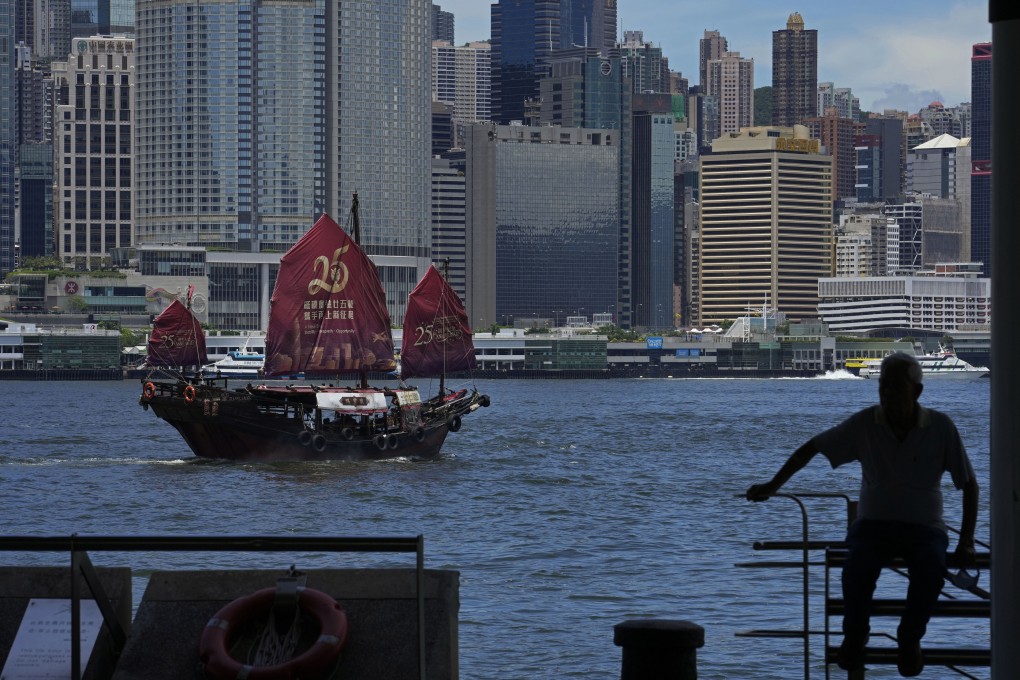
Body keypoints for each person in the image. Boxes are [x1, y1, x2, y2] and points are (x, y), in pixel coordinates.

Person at [746, 352, 978, 677]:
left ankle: (909, 638)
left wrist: (966, 541)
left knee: (930, 569)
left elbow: (969, 485)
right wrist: (773, 485)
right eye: (883, 387)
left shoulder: (940, 427)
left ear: (917, 392)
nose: (888, 394)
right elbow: (812, 447)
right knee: (856, 569)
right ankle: (855, 637)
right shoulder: (865, 423)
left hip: (925, 528)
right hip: (872, 526)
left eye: (896, 387)